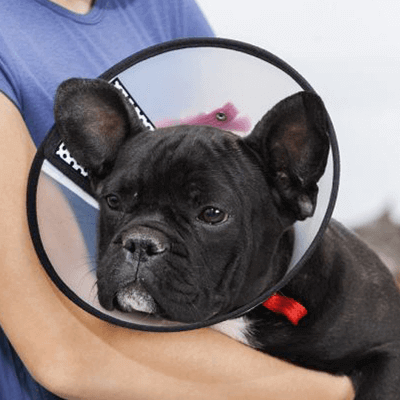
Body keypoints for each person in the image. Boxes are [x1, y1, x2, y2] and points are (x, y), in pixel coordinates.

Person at [0, 0, 355, 398]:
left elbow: (236, 166)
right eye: (118, 202)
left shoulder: (165, 9)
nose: (144, 242)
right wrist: (331, 392)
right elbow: (63, 354)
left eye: (209, 214)